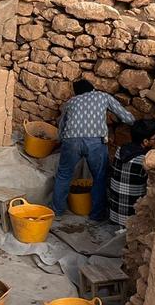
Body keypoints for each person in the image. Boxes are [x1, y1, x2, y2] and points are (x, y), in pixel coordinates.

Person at [51, 78, 135, 220]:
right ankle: (96, 215)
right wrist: (134, 122)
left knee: (64, 175)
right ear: (92, 89)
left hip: (71, 140)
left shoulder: (70, 102)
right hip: (95, 141)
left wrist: (61, 140)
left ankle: (57, 212)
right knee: (100, 177)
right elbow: (126, 117)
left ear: (76, 92)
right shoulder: (102, 96)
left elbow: (61, 126)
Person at [108, 118, 155, 227]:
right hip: (129, 217)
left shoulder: (120, 150)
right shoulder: (143, 160)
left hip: (114, 213)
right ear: (145, 141)